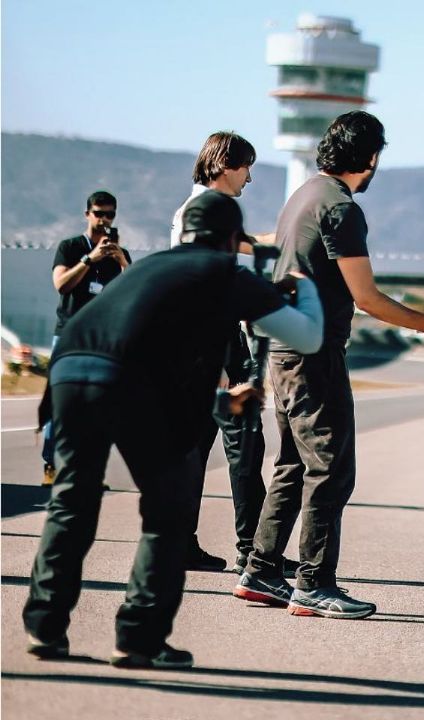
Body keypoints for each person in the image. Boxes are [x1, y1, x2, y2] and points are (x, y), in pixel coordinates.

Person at [23, 191, 324, 669]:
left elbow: (148, 350)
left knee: (72, 500)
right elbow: (307, 335)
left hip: (69, 370)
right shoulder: (226, 272)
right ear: (232, 238)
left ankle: (45, 627)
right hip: (124, 377)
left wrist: (216, 398)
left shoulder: (148, 266)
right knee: (166, 511)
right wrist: (303, 285)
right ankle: (139, 638)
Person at [234, 110, 424, 619]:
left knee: (294, 464)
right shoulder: (340, 207)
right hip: (314, 355)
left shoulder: (304, 194)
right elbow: (368, 298)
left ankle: (261, 571)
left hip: (285, 349)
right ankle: (313, 584)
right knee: (331, 469)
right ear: (372, 157)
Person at [169, 131, 294, 576]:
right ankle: (254, 550)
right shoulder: (203, 213)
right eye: (246, 167)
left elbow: (250, 243)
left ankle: (183, 543)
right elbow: (197, 286)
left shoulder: (199, 209)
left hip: (203, 340)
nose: (250, 177)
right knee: (245, 444)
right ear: (226, 165)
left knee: (198, 448)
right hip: (213, 339)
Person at [41, 191, 131, 485]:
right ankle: (50, 465)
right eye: (99, 213)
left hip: (101, 343)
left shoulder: (118, 254)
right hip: (67, 338)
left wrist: (121, 262)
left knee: (96, 410)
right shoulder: (70, 247)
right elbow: (61, 284)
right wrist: (88, 260)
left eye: (110, 215)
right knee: (59, 406)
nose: (104, 220)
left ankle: (87, 470)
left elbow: (135, 292)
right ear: (87, 214)